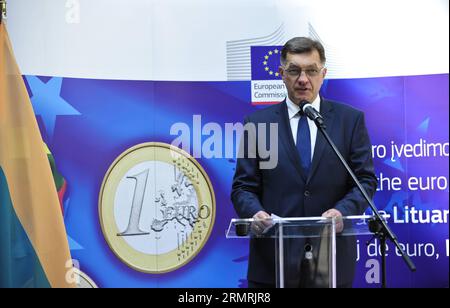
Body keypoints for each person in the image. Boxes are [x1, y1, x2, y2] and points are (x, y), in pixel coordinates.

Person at [231, 37, 377, 288]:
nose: (302, 78)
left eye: (311, 70)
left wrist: (343, 211)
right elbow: (243, 187)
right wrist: (254, 213)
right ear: (281, 74)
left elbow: (364, 180)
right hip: (272, 261)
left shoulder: (349, 121)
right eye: (294, 70)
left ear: (323, 73)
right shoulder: (258, 124)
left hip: (330, 261)